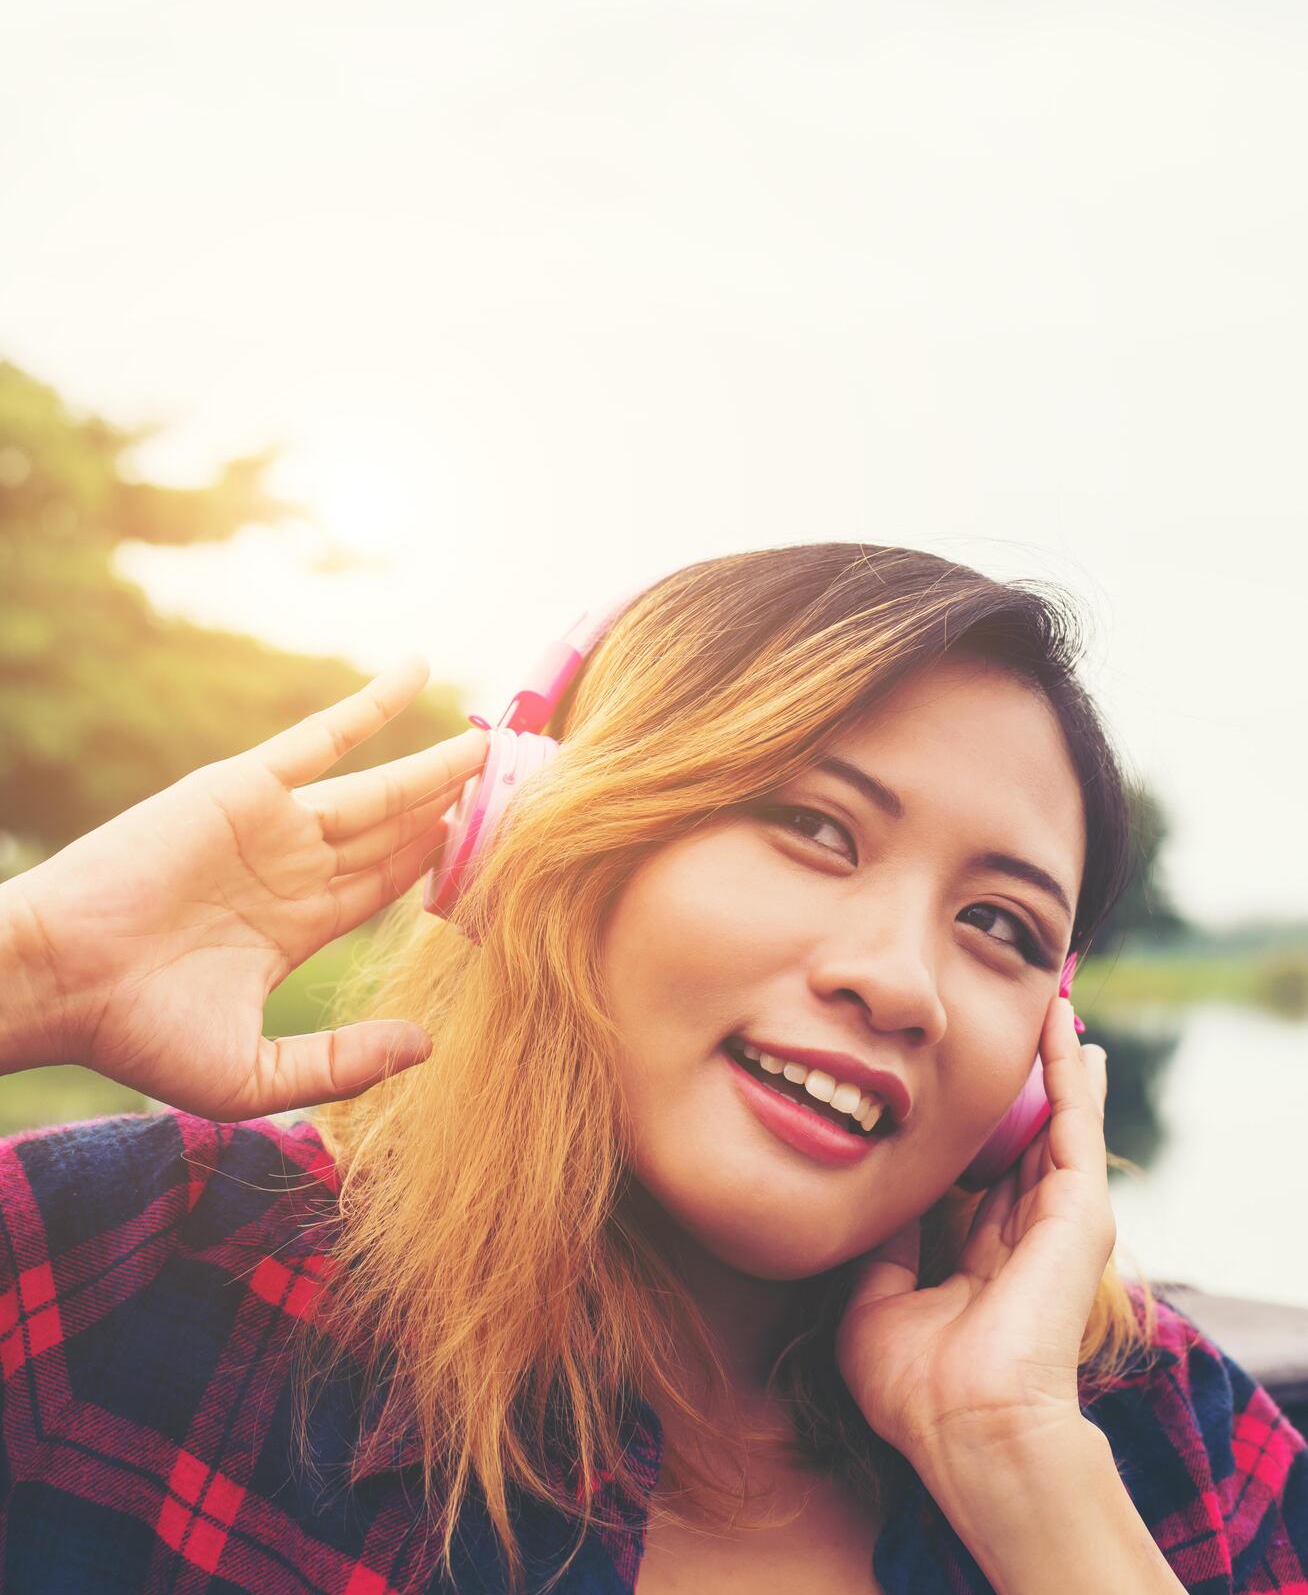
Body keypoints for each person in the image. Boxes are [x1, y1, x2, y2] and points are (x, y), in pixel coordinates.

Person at [0, 542, 1304, 1595]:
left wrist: (1028, 1477)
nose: (901, 980)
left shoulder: (1159, 1434)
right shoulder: (149, 1266)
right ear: (544, 844)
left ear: (1038, 1079)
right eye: (815, 827)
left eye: (1000, 927)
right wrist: (35, 966)